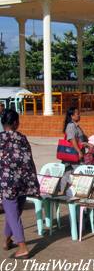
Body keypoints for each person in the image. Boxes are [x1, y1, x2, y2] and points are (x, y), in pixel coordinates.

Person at [0, 109, 40, 259]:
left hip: (7, 183)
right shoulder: (22, 138)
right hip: (24, 182)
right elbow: (30, 161)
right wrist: (34, 183)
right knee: (13, 214)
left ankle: (22, 247)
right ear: (16, 123)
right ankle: (7, 239)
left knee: (12, 214)